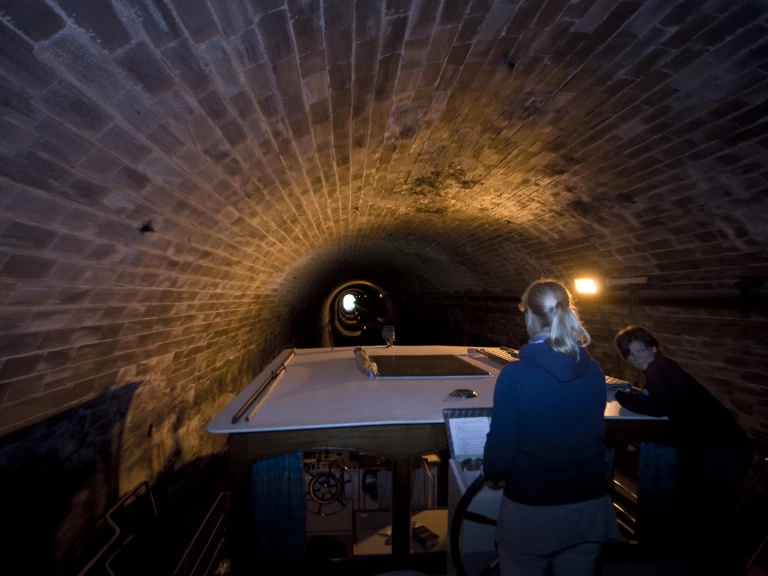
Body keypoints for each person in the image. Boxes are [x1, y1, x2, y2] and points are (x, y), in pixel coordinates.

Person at [483, 279, 618, 576]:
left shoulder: (515, 375)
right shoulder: (593, 369)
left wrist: (493, 473)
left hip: (533, 505)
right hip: (590, 502)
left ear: (529, 316)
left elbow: (502, 443)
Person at [613, 326, 752, 574]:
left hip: (722, 450)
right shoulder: (664, 368)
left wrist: (623, 398)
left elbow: (655, 406)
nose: (638, 358)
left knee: (709, 515)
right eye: (631, 355)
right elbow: (662, 401)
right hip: (728, 447)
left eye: (641, 350)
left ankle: (708, 566)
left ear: (653, 347)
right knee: (714, 515)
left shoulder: (658, 369)